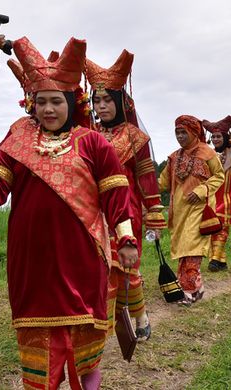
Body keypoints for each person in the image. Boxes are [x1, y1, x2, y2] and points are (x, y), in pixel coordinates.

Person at [0, 36, 137, 389]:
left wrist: (125, 237)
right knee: (39, 345)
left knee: (85, 342)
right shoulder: (17, 139)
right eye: (41, 102)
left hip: (83, 256)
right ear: (31, 104)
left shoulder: (93, 142)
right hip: (31, 261)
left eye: (56, 101)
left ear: (72, 101)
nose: (48, 109)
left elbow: (116, 194)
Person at [86, 49, 166, 341]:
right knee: (98, 268)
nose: (101, 105)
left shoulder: (135, 137)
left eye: (107, 100)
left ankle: (141, 315)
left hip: (126, 210)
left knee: (126, 266)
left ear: (121, 102)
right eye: (96, 99)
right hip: (94, 210)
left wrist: (154, 218)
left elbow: (147, 179)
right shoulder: (87, 134)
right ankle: (103, 324)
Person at [158, 115, 224, 305]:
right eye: (177, 132)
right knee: (183, 250)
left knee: (192, 247)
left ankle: (188, 291)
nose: (179, 136)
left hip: (199, 209)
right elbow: (162, 182)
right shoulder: (174, 157)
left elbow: (219, 176)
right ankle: (196, 288)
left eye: (183, 132)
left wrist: (202, 189)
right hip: (179, 212)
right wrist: (142, 184)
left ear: (194, 132)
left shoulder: (207, 153)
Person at [202, 115, 231, 272]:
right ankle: (221, 260)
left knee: (222, 228)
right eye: (213, 136)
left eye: (218, 136)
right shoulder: (209, 155)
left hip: (227, 198)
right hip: (212, 198)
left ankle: (214, 260)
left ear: (226, 137)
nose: (215, 139)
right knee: (213, 228)